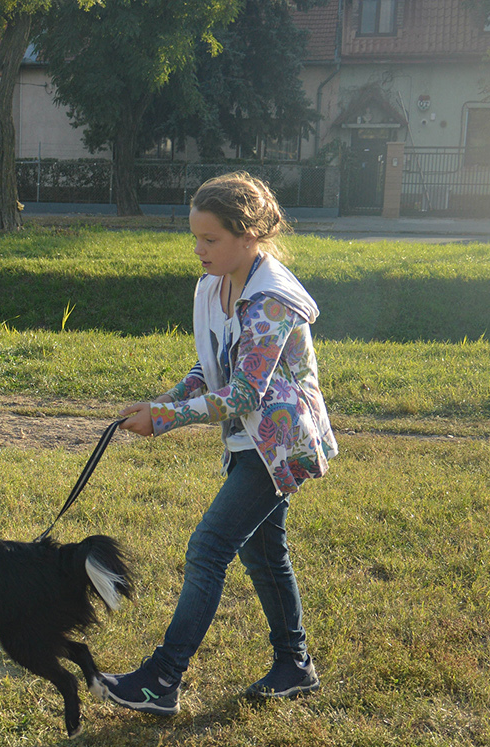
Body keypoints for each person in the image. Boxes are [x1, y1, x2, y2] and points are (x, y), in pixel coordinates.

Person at [93, 172, 337, 716]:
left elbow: (247, 392)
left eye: (211, 239)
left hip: (280, 445)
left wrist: (166, 418)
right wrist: (162, 401)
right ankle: (294, 666)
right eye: (195, 238)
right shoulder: (212, 286)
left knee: (209, 548)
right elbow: (210, 371)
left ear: (249, 236)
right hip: (249, 443)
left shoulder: (271, 299)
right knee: (262, 550)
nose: (199, 250)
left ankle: (162, 680)